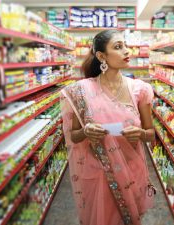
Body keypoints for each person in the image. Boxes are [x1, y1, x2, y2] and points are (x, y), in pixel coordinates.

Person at [61, 30, 156, 225]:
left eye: (126, 46)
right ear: (101, 56)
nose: (127, 51)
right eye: (118, 47)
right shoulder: (82, 90)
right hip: (99, 174)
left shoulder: (140, 89)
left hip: (132, 171)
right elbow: (74, 136)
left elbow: (150, 133)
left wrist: (140, 134)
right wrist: (86, 131)